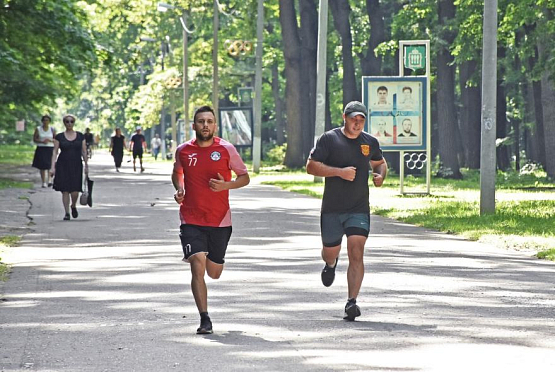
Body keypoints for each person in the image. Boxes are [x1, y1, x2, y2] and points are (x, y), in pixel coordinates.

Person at [171, 105, 250, 334]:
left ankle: (214, 265)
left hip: (219, 220)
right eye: (200, 121)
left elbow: (244, 177)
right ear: (194, 125)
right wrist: (180, 189)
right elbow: (177, 173)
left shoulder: (226, 149)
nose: (205, 125)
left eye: (209, 121)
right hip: (191, 217)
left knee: (213, 272)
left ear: (215, 125)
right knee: (197, 264)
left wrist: (227, 185)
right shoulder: (183, 151)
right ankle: (204, 318)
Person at [306, 101, 387, 321]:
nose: (357, 123)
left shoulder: (370, 142)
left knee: (356, 252)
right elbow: (311, 166)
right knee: (330, 251)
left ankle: (352, 302)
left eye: (361, 119)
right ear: (345, 117)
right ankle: (330, 263)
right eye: (353, 118)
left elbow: (380, 163)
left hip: (358, 208)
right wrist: (339, 172)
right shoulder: (329, 139)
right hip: (332, 208)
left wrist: (380, 175)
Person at [50, 114, 88, 221]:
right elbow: (55, 152)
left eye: (71, 121)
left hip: (76, 164)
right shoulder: (59, 137)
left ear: (74, 123)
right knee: (65, 189)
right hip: (63, 165)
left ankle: (73, 205)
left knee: (75, 190)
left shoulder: (80, 136)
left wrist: (86, 165)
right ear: (64, 123)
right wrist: (53, 167)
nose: (69, 123)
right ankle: (66, 212)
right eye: (67, 121)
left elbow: (84, 151)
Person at [32, 115, 56, 188]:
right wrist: (42, 141)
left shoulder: (52, 129)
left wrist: (50, 140)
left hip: (50, 148)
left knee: (49, 165)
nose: (46, 122)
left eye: (47, 120)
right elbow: (34, 139)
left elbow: (56, 139)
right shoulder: (38, 129)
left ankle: (49, 180)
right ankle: (43, 182)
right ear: (42, 121)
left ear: (49, 121)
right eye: (44, 120)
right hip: (41, 148)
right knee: (42, 166)